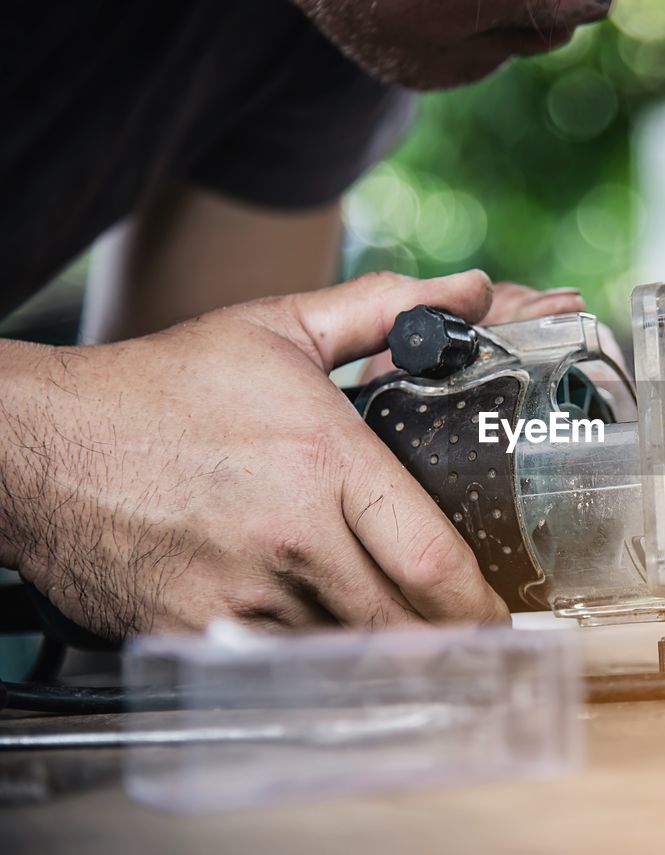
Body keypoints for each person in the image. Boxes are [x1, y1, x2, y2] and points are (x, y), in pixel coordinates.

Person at [0, 0, 613, 640]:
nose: (597, 7)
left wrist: (383, 439)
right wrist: (52, 450)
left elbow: (182, 500)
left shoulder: (333, 34)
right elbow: (114, 457)